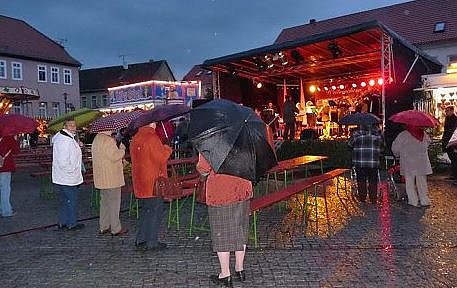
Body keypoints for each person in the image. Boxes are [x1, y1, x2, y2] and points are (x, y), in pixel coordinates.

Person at [197, 154, 253, 287]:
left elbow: (203, 168)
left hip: (221, 190)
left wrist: (201, 171)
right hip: (243, 187)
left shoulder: (212, 137)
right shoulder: (244, 137)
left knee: (221, 232)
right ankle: (240, 269)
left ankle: (225, 274)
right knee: (240, 228)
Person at [130, 122, 172, 251]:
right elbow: (161, 158)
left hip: (141, 180)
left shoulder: (136, 138)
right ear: (151, 123)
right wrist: (167, 148)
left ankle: (141, 238)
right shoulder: (152, 138)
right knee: (155, 211)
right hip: (153, 181)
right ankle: (152, 241)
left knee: (146, 210)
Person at [91, 130, 128, 236]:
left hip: (101, 177)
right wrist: (122, 149)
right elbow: (115, 156)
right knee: (114, 203)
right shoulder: (108, 141)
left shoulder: (96, 139)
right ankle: (115, 228)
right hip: (112, 178)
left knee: (104, 203)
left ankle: (104, 226)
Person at [52, 119, 85, 230]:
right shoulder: (64, 140)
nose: (73, 127)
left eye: (74, 125)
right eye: (70, 125)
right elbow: (63, 162)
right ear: (64, 126)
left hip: (64, 176)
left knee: (65, 200)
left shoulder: (67, 138)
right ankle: (71, 223)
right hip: (67, 177)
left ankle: (63, 221)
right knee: (71, 200)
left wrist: (77, 145)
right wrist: (72, 170)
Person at [391, 125, 432, 207]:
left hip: (408, 162)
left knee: (410, 183)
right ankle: (424, 200)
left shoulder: (403, 135)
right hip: (421, 162)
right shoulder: (423, 134)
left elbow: (395, 149)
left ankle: (413, 201)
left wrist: (397, 154)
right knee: (422, 182)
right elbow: (427, 144)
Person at [348, 124, 382, 203]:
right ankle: (373, 198)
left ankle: (362, 198)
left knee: (361, 180)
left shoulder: (356, 133)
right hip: (373, 161)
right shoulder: (378, 133)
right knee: (373, 180)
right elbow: (383, 145)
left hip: (360, 161)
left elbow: (349, 144)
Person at [0, 135, 20, 217]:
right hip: (5, 166)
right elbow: (16, 151)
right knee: (5, 188)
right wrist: (15, 140)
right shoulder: (8, 137)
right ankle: (6, 210)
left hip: (4, 166)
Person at [441, 106, 457, 180]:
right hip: (447, 141)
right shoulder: (447, 119)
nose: (446, 112)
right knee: (452, 158)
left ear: (452, 111)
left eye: (447, 111)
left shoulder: (455, 119)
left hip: (452, 142)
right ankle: (453, 174)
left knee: (454, 158)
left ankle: (454, 174)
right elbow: (446, 131)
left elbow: (453, 132)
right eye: (445, 111)